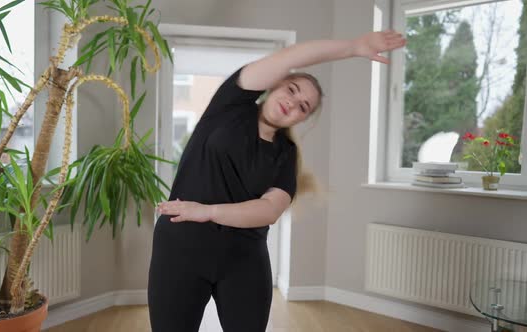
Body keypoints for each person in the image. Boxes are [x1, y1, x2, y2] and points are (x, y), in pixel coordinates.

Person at [147, 30, 406, 332]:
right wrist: (353, 47)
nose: (293, 103)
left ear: (302, 119)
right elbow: (292, 57)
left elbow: (269, 210)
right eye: (292, 89)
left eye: (304, 107)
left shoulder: (286, 154)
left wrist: (208, 211)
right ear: (274, 85)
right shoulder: (230, 105)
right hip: (181, 248)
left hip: (243, 258)